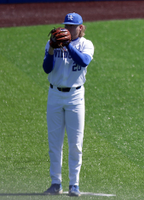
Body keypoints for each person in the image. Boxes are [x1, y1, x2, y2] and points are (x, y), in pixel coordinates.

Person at [42, 12, 94, 197]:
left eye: (73, 26)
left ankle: (74, 184)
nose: (68, 29)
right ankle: (55, 183)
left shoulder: (86, 44)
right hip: (54, 95)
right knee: (54, 143)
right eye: (67, 26)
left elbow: (84, 61)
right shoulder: (53, 42)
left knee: (75, 144)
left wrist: (68, 45)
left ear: (81, 27)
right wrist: (51, 49)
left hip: (75, 98)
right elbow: (47, 68)